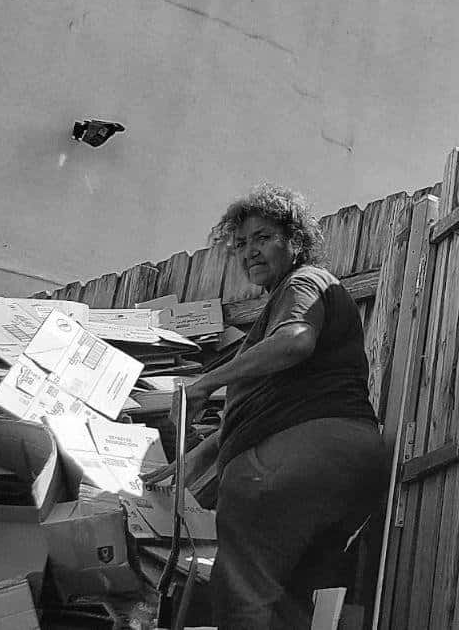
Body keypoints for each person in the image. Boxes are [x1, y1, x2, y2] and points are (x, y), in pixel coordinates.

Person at [148, 184, 388, 629]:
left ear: (294, 241)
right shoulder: (293, 304)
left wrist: (205, 383)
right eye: (240, 244)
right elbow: (268, 403)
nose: (249, 252)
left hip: (294, 458)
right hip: (347, 460)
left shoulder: (303, 282)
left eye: (262, 238)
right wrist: (195, 457)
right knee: (292, 603)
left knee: (243, 599)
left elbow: (296, 341)